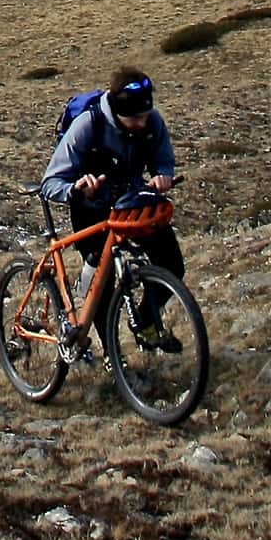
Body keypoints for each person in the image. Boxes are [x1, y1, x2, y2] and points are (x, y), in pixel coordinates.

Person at [40, 65, 185, 353]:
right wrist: (76, 188)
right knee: (101, 286)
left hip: (131, 206)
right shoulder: (88, 125)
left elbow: (163, 159)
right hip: (91, 212)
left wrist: (162, 174)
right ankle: (113, 355)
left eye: (145, 116)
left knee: (171, 264)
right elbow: (51, 182)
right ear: (118, 113)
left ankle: (144, 321)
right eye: (135, 119)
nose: (143, 124)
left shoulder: (152, 121)